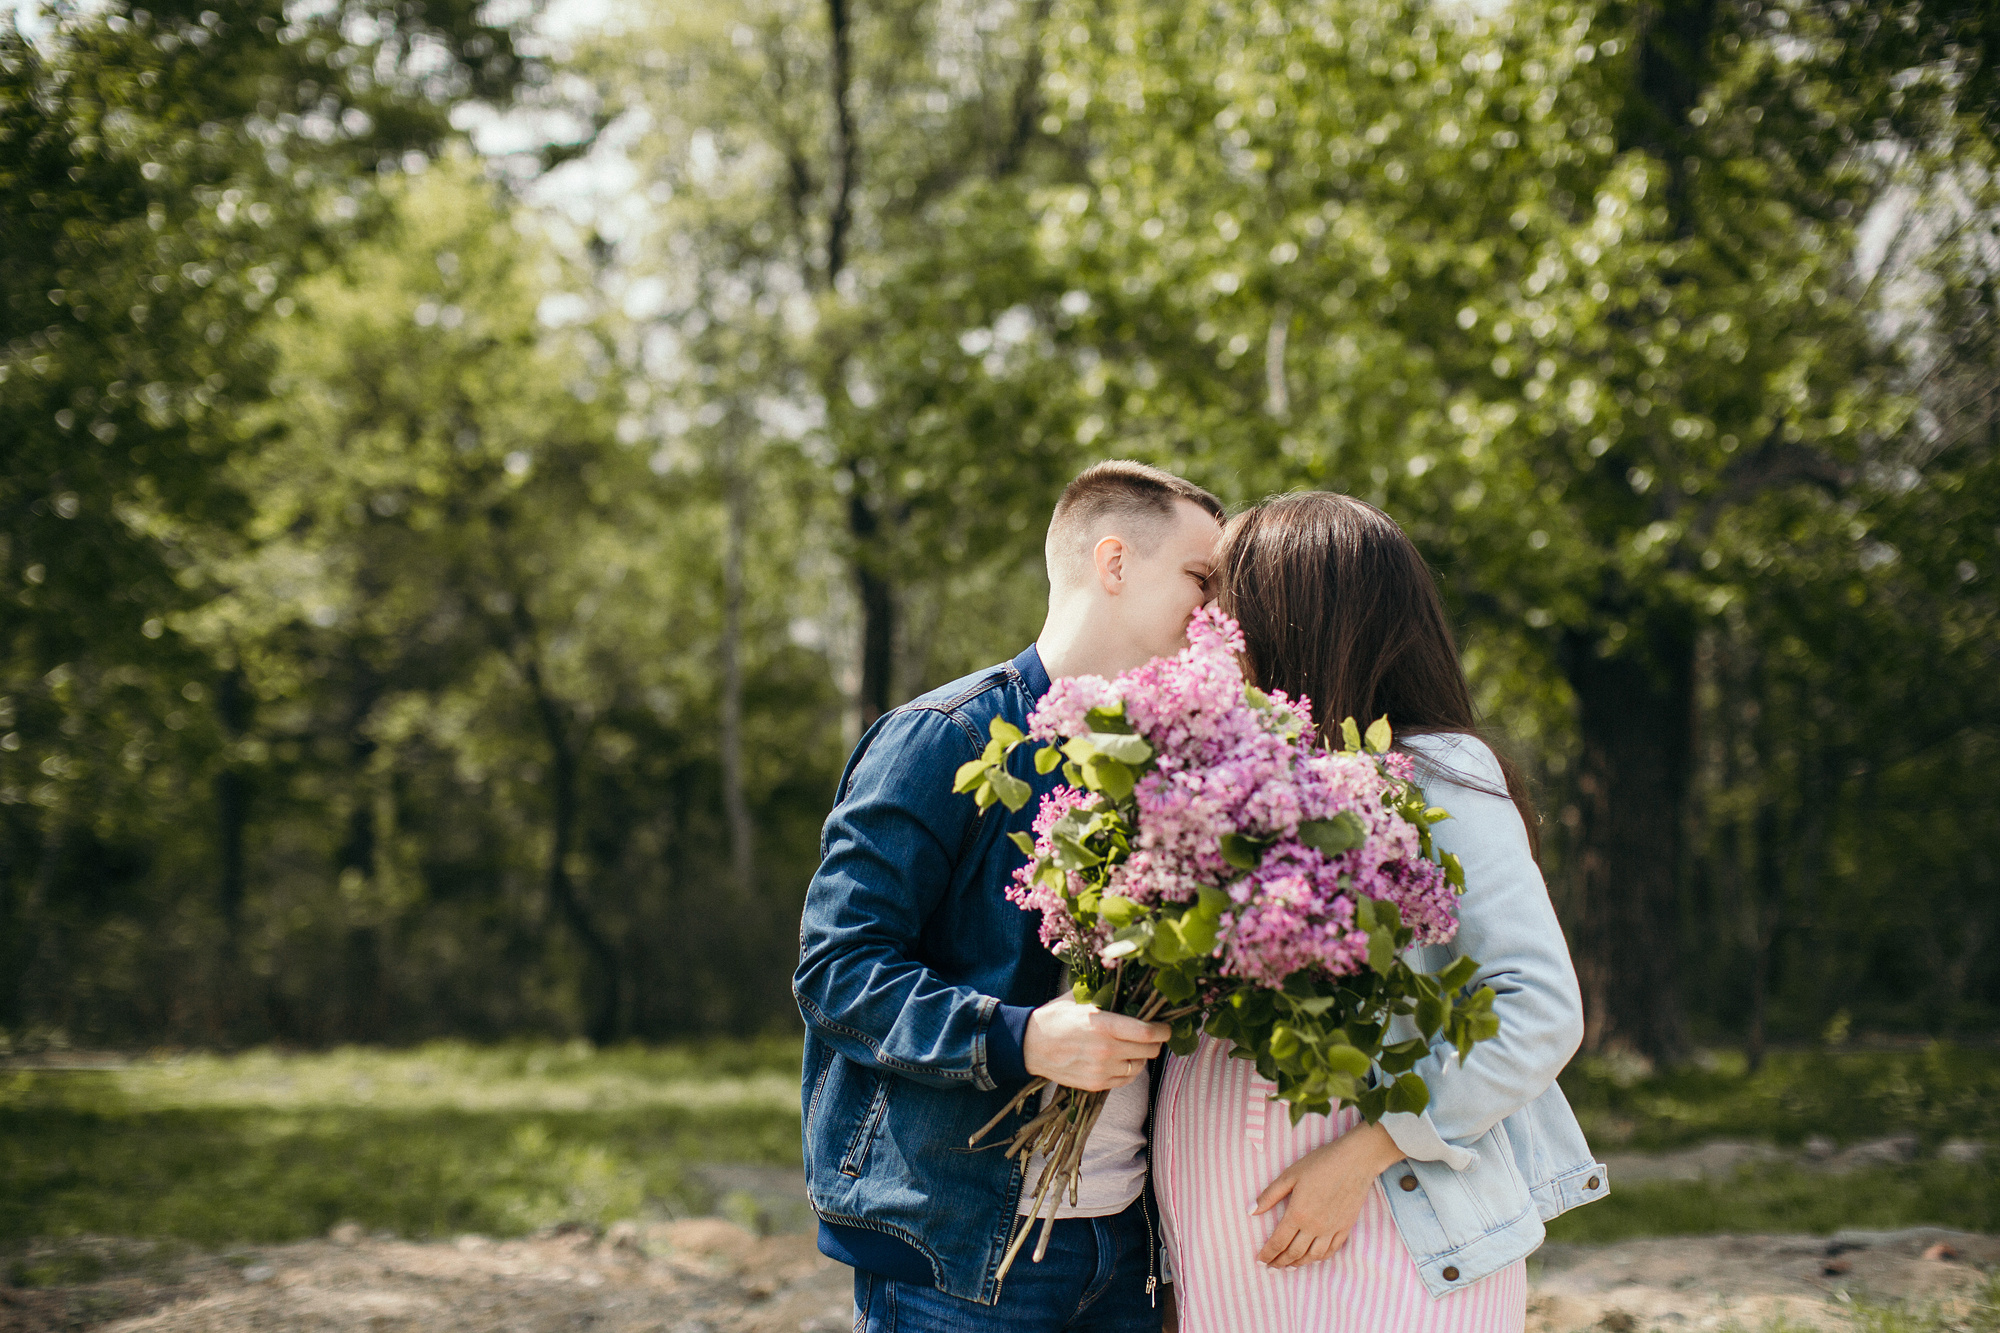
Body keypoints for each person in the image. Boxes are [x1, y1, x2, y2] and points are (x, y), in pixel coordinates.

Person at [1154, 491, 1607, 1332]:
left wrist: (1367, 1153)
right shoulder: (1236, 778)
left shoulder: (1434, 771)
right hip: (1230, 1261)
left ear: (1293, 617)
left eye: (1226, 601)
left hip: (1379, 1230)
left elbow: (1540, 1011)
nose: (1202, 622)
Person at [796, 460, 1226, 1333]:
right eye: (1199, 578)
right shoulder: (941, 738)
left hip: (1125, 1245)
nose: (1216, 610)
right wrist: (1021, 1035)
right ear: (1113, 562)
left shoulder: (1185, 766)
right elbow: (836, 969)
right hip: (956, 1250)